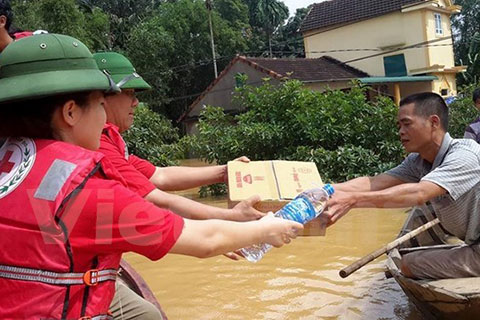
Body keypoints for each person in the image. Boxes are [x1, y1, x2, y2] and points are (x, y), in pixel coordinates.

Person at [0, 33, 303, 319]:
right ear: (70, 113)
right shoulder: (86, 195)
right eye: (100, 105)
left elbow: (158, 179)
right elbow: (204, 240)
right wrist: (267, 229)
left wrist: (224, 176)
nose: (105, 118)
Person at [325, 92, 480, 280]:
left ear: (433, 122)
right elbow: (374, 183)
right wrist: (326, 191)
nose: (400, 131)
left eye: (407, 124)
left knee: (407, 264)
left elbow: (420, 193)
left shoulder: (465, 155)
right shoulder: (418, 161)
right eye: (399, 126)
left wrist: (352, 200)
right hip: (475, 246)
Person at [94, 52, 263, 222]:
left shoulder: (110, 142)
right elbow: (153, 201)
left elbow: (160, 176)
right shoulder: (99, 147)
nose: (135, 102)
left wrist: (224, 172)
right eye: (129, 93)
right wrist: (231, 217)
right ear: (101, 98)